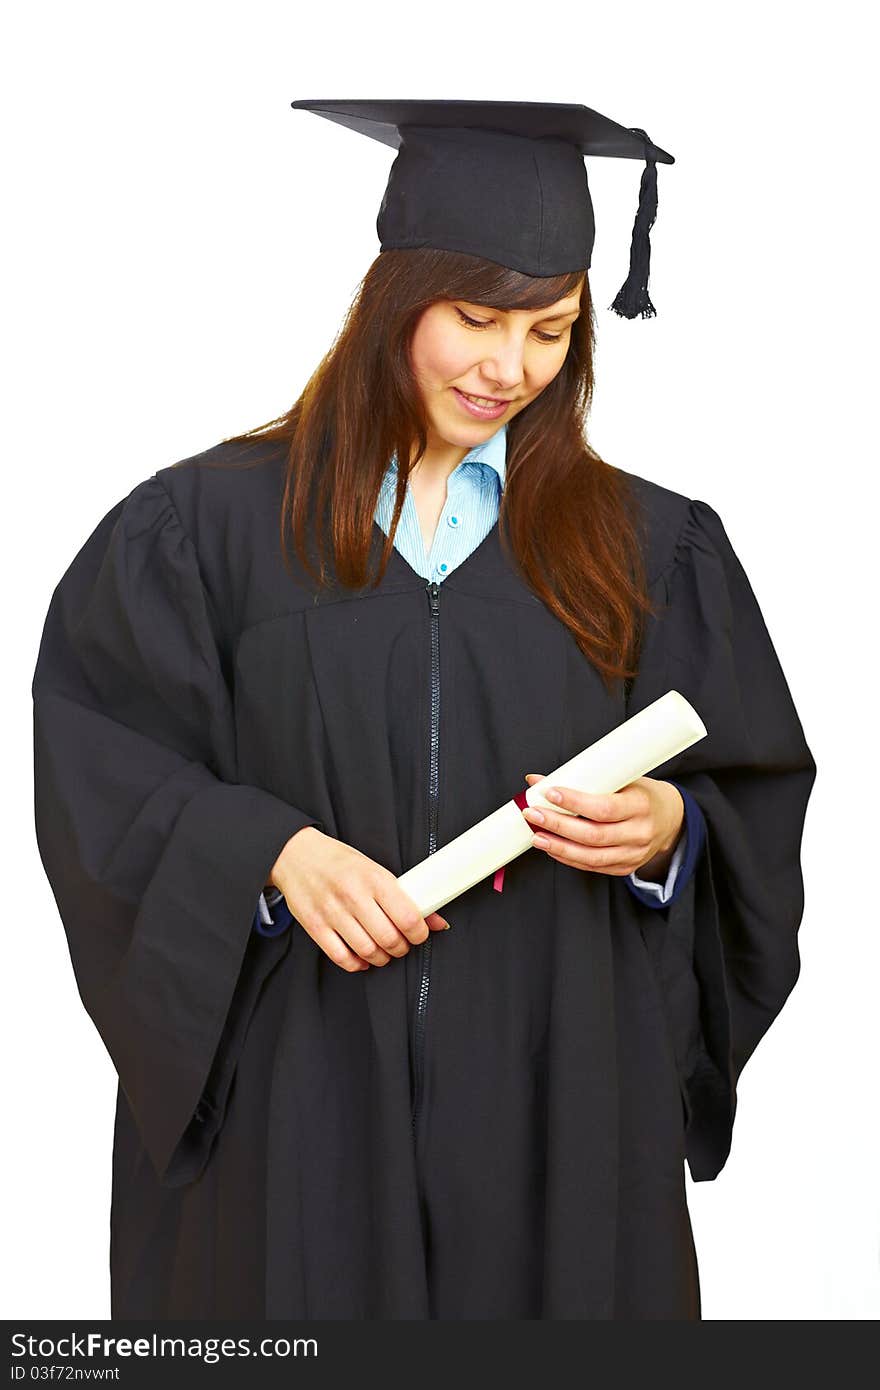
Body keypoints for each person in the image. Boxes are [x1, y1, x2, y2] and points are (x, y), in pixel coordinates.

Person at [31, 99, 816, 1320]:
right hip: (298, 1113)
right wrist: (273, 851)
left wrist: (668, 833)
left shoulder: (650, 546)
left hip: (557, 1095)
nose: (511, 367)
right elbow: (102, 774)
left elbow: (751, 798)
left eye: (552, 330)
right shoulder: (203, 531)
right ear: (394, 301)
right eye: (478, 318)